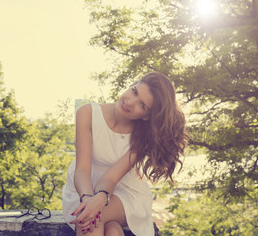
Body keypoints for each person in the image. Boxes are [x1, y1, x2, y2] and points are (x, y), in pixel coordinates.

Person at [62, 71, 188, 236]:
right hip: (82, 187)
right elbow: (82, 169)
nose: (130, 102)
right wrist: (87, 200)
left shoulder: (142, 137)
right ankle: (114, 228)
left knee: (91, 220)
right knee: (111, 230)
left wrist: (100, 198)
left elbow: (110, 178)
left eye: (142, 105)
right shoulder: (87, 113)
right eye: (134, 91)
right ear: (131, 85)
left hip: (124, 191)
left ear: (146, 117)